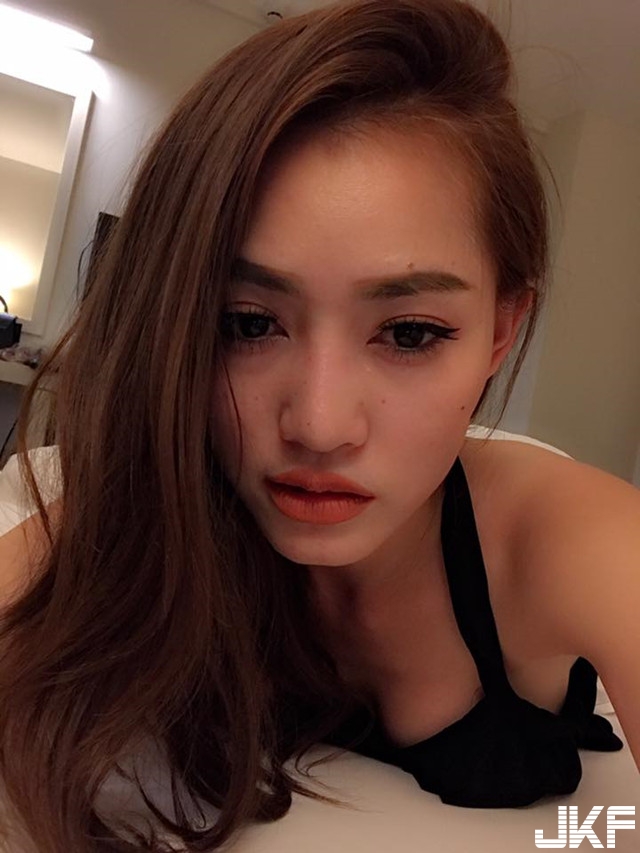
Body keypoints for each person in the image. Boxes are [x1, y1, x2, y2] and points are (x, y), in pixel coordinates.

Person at [0, 0, 638, 850]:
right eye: (247, 322)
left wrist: (574, 839)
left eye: (410, 333)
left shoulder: (578, 539)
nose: (320, 424)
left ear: (499, 333)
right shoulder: (158, 503)